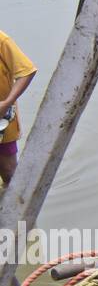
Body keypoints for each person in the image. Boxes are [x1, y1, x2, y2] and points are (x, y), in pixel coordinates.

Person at [0, 29, 37, 186]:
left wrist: (6, 103)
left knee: (9, 173)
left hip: (2, 120)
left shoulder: (2, 41)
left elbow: (27, 72)